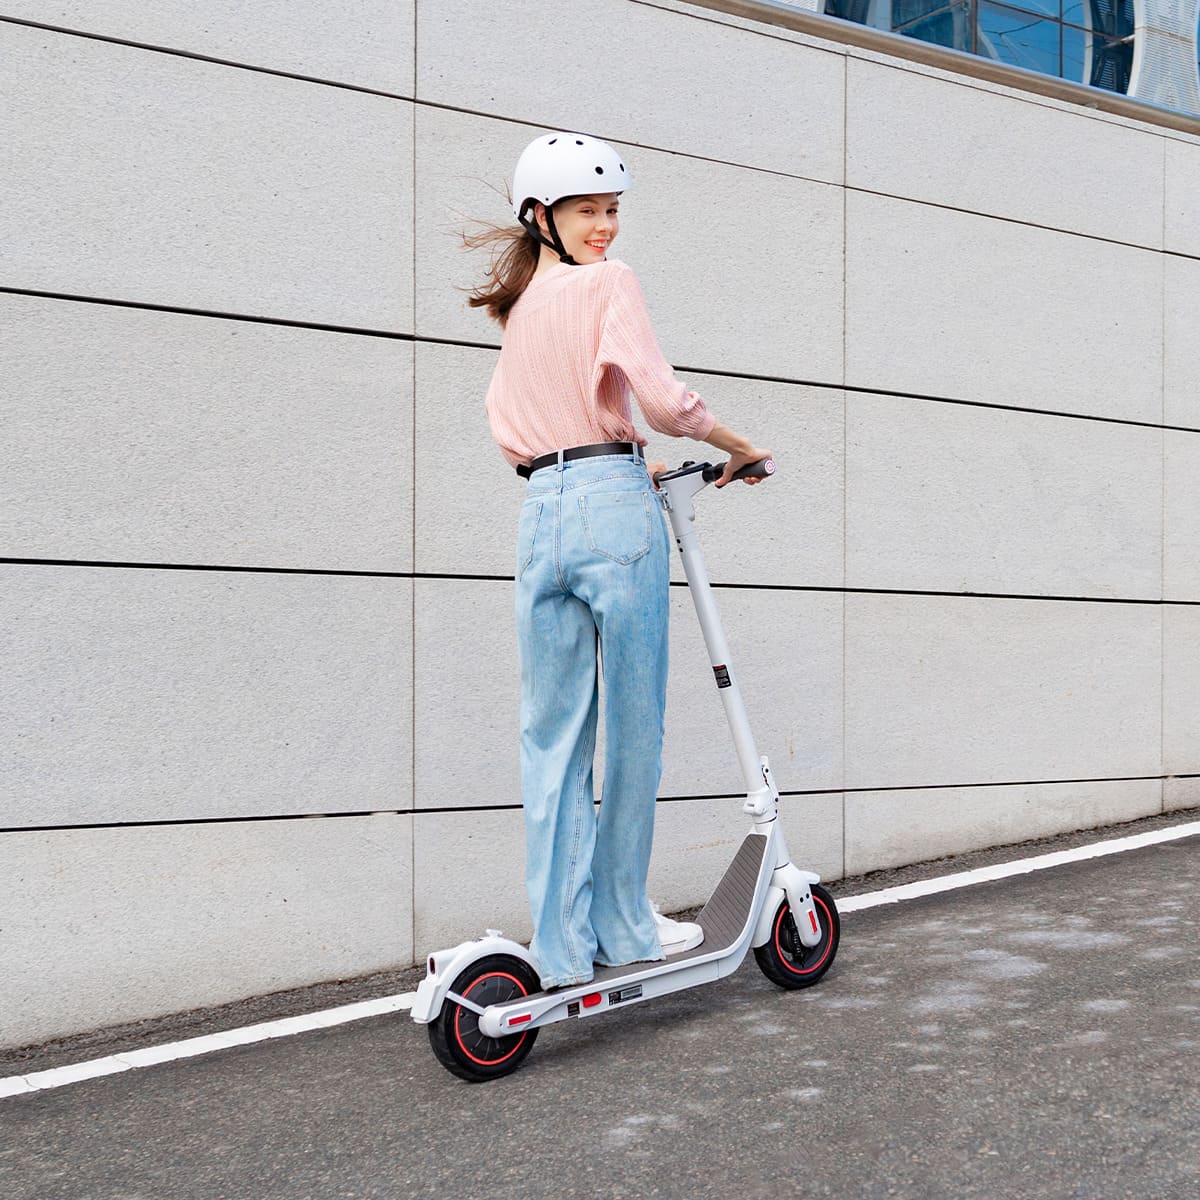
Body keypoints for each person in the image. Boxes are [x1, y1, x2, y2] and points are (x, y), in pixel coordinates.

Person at [468, 131, 771, 990]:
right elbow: (664, 397)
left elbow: (520, 426)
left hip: (541, 515)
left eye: (611, 211)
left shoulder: (520, 309)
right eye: (587, 210)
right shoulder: (609, 284)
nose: (604, 227)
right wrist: (740, 444)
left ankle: (562, 947)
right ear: (543, 217)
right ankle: (627, 926)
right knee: (634, 725)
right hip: (612, 510)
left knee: (551, 737)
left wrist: (619, 457)